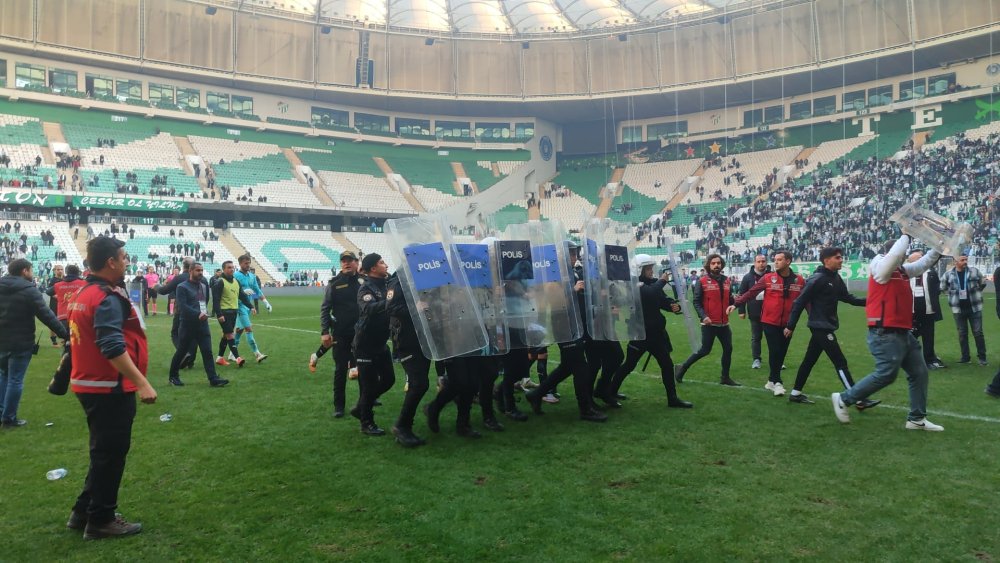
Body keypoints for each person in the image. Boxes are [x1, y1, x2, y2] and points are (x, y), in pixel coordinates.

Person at [65, 236, 157, 539]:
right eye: (124, 257)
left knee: (102, 452)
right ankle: (101, 518)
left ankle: (83, 512)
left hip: (90, 383)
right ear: (111, 262)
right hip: (107, 387)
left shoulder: (84, 291)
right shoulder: (105, 297)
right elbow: (111, 345)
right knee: (110, 455)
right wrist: (142, 382)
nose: (127, 262)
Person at [831, 234, 944, 431]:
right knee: (887, 374)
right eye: (903, 253)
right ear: (895, 252)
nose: (905, 257)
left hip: (901, 332)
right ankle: (843, 399)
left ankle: (916, 418)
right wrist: (906, 235)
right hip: (884, 331)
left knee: (919, 373)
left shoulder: (900, 271)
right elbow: (887, 267)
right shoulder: (879, 264)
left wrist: (940, 247)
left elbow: (923, 264)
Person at [784, 247, 878, 408]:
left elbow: (848, 298)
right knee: (840, 361)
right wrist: (790, 325)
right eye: (838, 257)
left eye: (841, 257)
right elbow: (799, 302)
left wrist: (872, 301)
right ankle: (857, 399)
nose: (841, 260)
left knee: (809, 361)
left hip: (826, 325)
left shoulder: (835, 278)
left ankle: (795, 393)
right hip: (820, 327)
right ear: (827, 260)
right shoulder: (817, 279)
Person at [524, 242, 607, 423]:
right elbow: (551, 299)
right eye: (570, 253)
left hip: (573, 324)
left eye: (575, 253)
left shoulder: (571, 272)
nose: (574, 256)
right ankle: (585, 409)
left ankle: (536, 394)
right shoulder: (554, 274)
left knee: (567, 367)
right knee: (580, 367)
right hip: (563, 324)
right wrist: (573, 290)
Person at [603, 254, 692, 409]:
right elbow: (650, 294)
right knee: (629, 365)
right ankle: (610, 391)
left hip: (656, 334)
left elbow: (660, 299)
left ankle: (672, 398)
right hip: (640, 333)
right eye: (648, 268)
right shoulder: (635, 284)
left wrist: (672, 305)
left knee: (666, 364)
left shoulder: (651, 283)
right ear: (639, 270)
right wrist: (663, 280)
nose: (651, 271)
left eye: (651, 267)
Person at [0, 259, 69, 428]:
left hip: (2, 340)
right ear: (25, 271)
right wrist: (65, 334)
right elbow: (46, 315)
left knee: (3, 376)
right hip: (21, 342)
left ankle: (3, 412)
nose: (32, 273)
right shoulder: (29, 290)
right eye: (30, 270)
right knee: (15, 379)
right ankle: (9, 418)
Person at [733, 250, 804, 397]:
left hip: (788, 323)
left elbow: (806, 301)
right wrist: (736, 304)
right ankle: (777, 383)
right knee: (775, 350)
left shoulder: (799, 280)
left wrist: (814, 317)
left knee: (781, 352)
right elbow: (751, 292)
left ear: (788, 261)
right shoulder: (767, 278)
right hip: (769, 321)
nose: (775, 262)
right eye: (775, 259)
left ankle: (771, 381)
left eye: (779, 259)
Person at [674, 254, 740, 386]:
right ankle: (682, 368)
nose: (716, 265)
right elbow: (696, 302)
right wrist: (704, 316)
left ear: (722, 265)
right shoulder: (702, 281)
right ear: (709, 266)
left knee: (728, 349)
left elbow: (729, 300)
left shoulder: (727, 280)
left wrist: (735, 301)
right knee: (705, 350)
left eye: (718, 263)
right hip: (709, 323)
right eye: (713, 263)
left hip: (724, 324)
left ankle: (725, 377)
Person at [350, 253, 395, 435]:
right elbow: (368, 309)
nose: (385, 265)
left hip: (381, 342)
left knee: (389, 380)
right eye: (381, 262)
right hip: (365, 344)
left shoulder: (387, 283)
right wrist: (390, 302)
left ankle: (360, 407)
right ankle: (366, 423)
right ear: (373, 269)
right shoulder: (365, 288)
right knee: (368, 386)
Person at [385, 272, 431, 446]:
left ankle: (405, 426)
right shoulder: (399, 279)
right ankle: (401, 426)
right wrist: (415, 308)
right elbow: (390, 307)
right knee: (419, 383)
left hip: (423, 338)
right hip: (407, 339)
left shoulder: (421, 277)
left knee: (419, 383)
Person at [316, 251, 361, 418]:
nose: (346, 263)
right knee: (340, 369)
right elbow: (325, 308)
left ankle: (365, 400)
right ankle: (339, 405)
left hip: (361, 333)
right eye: (343, 261)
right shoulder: (334, 284)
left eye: (350, 260)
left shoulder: (364, 281)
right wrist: (325, 332)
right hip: (341, 333)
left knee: (363, 367)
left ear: (357, 263)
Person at [168, 263, 228, 388]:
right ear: (190, 271)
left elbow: (204, 302)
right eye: (197, 270)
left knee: (207, 351)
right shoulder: (182, 287)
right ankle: (173, 376)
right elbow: (183, 307)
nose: (200, 272)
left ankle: (213, 378)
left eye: (201, 270)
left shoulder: (203, 286)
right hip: (187, 325)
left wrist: (203, 313)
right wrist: (197, 314)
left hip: (202, 324)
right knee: (182, 351)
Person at [940, 254, 988, 366]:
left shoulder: (974, 271)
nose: (965, 261)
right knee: (962, 333)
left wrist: (976, 293)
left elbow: (983, 282)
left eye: (966, 259)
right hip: (958, 309)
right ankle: (965, 357)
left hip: (974, 307)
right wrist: (952, 295)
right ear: (955, 261)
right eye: (962, 260)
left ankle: (982, 358)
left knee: (978, 333)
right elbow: (943, 287)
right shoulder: (948, 274)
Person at [211, 261, 254, 368]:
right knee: (230, 334)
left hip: (234, 312)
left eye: (232, 267)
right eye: (229, 267)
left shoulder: (236, 281)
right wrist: (219, 314)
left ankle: (220, 358)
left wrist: (251, 306)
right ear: (224, 269)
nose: (231, 269)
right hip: (224, 313)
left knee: (226, 335)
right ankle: (238, 358)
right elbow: (215, 300)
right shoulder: (220, 282)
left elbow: (242, 296)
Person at [908, 251, 945, 369]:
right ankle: (908, 358)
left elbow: (937, 289)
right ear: (911, 262)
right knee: (911, 336)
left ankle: (929, 358)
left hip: (928, 310)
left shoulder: (931, 273)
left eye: (921, 257)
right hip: (912, 311)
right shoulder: (907, 274)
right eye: (918, 258)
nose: (922, 259)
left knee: (928, 336)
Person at [232, 255, 271, 364]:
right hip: (239, 306)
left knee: (239, 330)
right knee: (248, 329)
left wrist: (266, 302)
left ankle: (232, 353)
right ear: (240, 264)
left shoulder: (252, 276)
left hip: (248, 306)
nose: (248, 265)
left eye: (249, 262)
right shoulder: (235, 276)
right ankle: (257, 354)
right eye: (245, 263)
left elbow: (257, 290)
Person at [736, 255, 769, 369]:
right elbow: (742, 294)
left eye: (763, 261)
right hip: (754, 312)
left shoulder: (773, 276)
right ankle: (756, 359)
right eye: (759, 261)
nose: (761, 264)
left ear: (767, 262)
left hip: (771, 313)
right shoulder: (747, 278)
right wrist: (741, 310)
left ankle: (777, 360)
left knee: (773, 338)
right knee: (756, 337)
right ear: (754, 263)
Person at [46, 264, 66, 345]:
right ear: (54, 271)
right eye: (58, 269)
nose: (60, 271)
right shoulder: (52, 280)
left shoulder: (65, 279)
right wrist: (61, 297)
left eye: (61, 269)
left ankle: (65, 338)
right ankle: (54, 340)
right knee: (53, 321)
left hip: (64, 304)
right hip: (55, 304)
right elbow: (50, 293)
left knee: (65, 321)